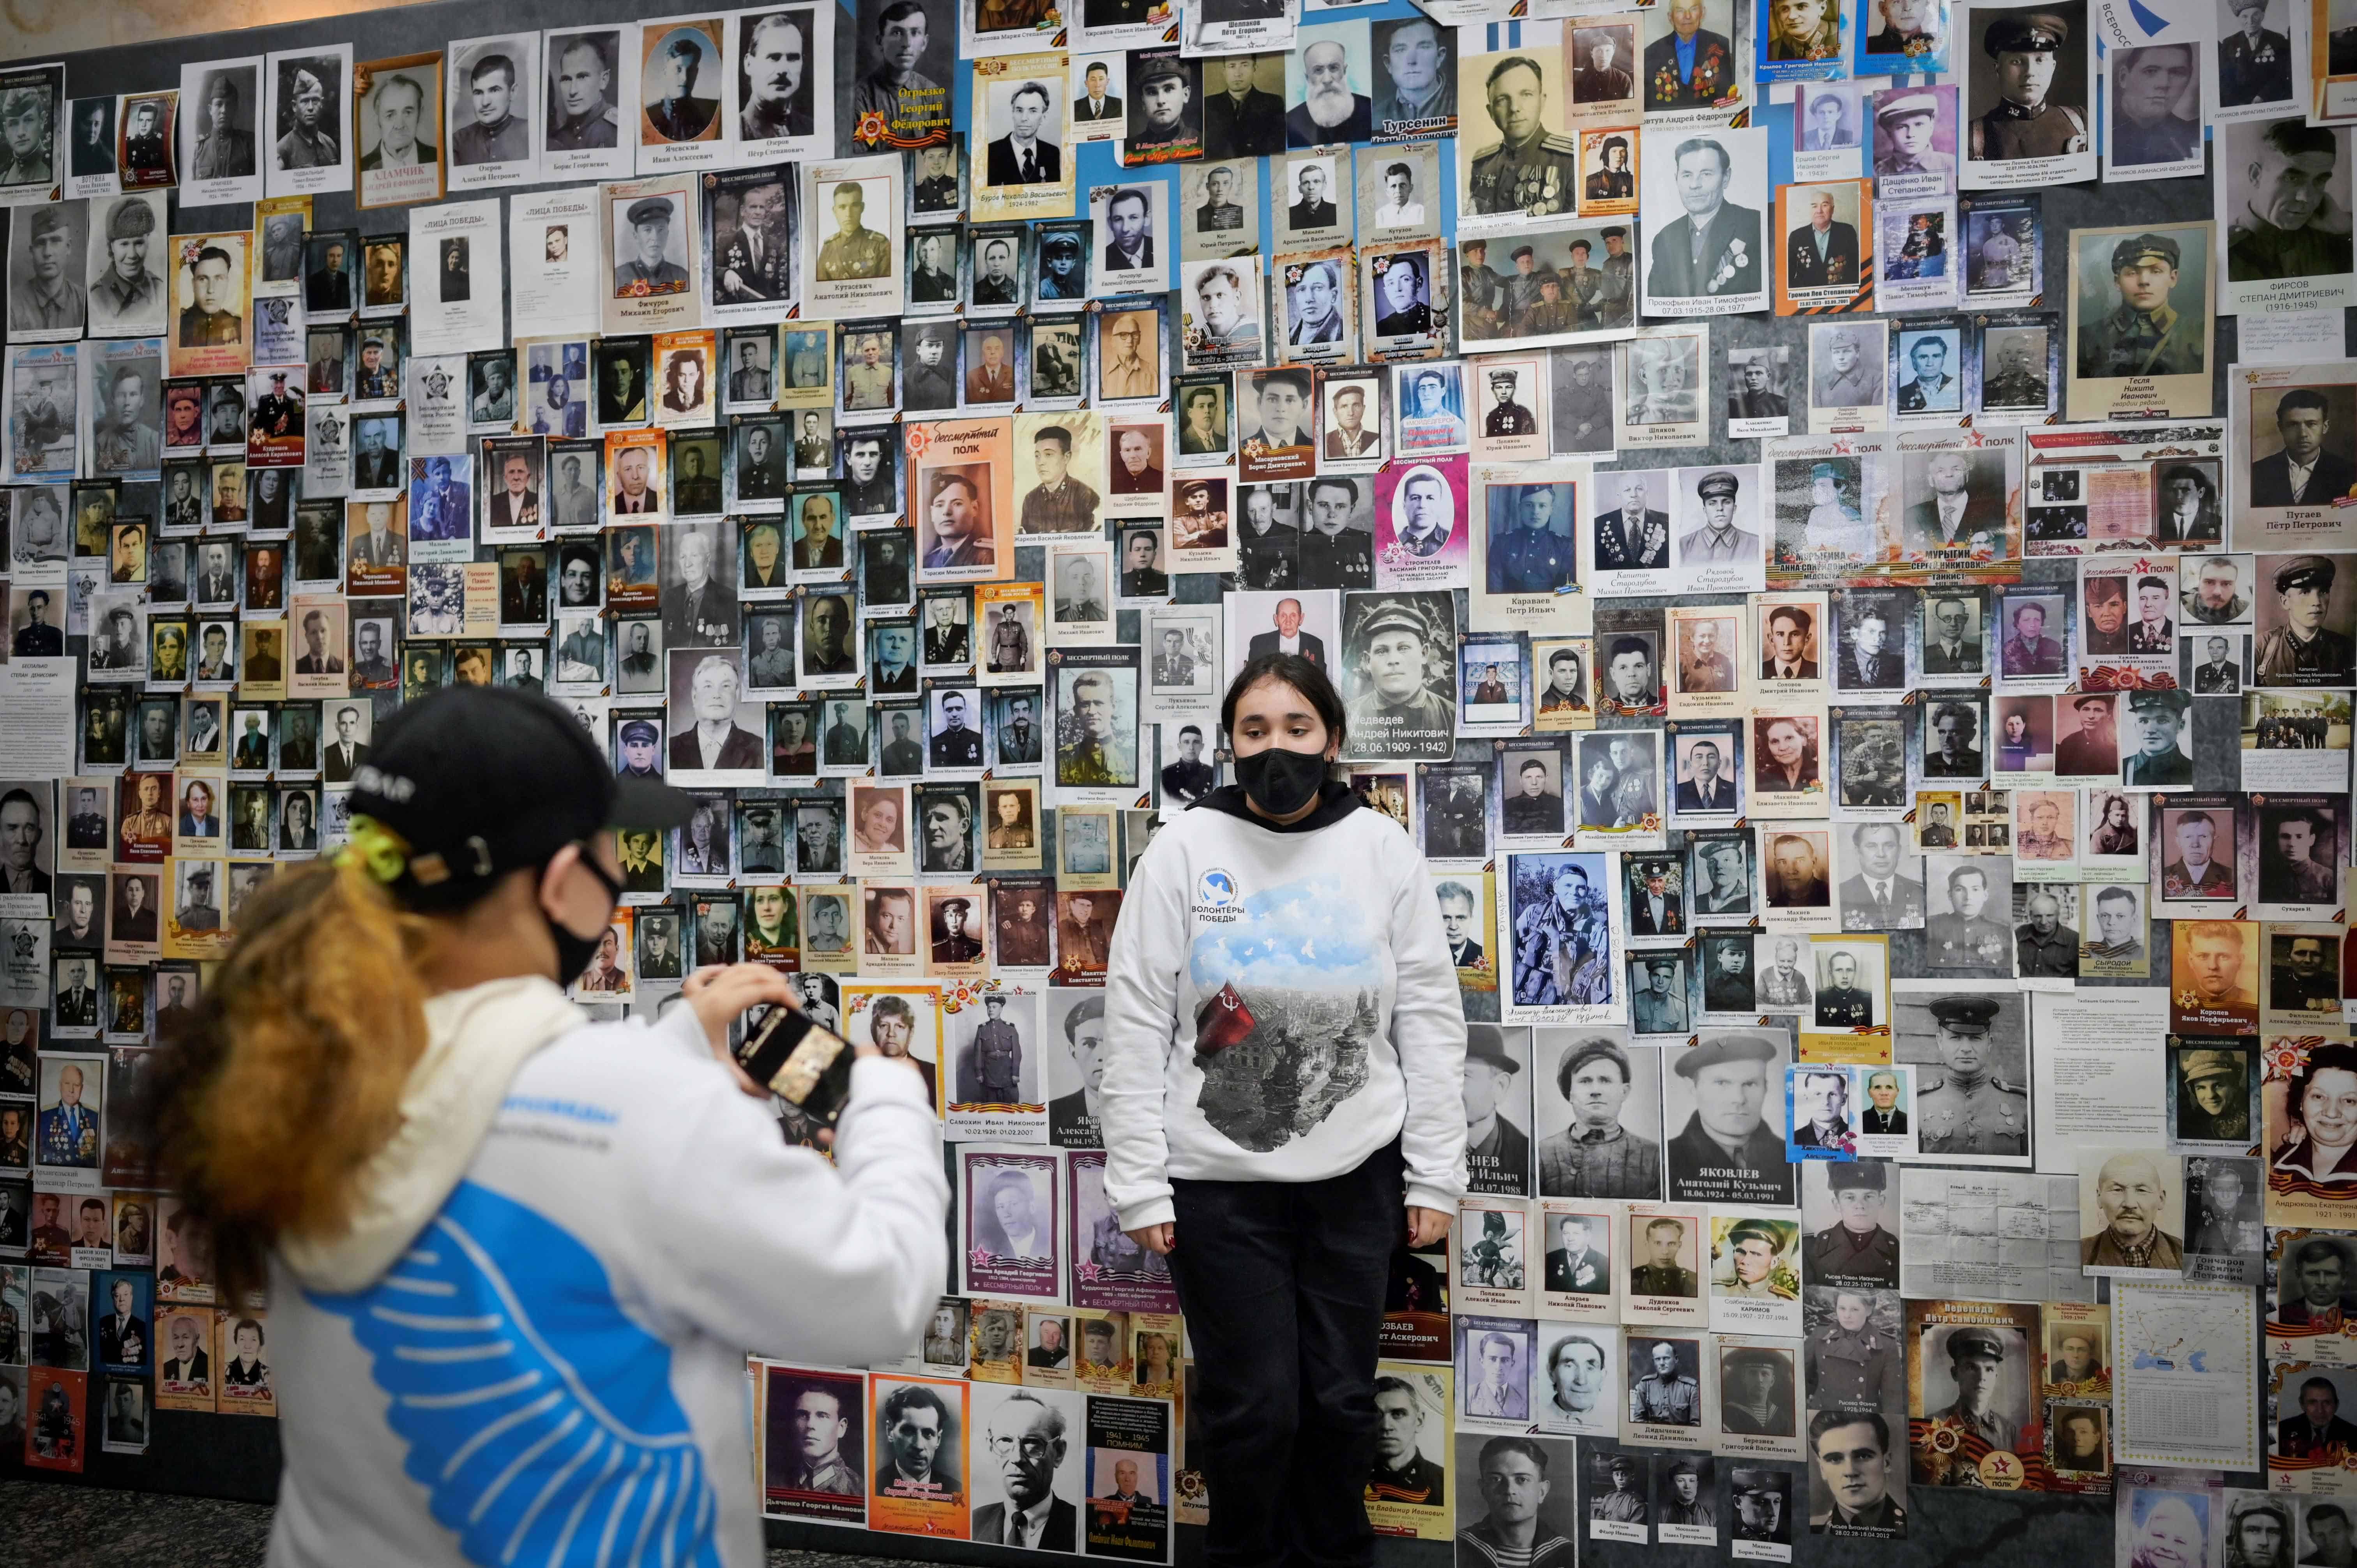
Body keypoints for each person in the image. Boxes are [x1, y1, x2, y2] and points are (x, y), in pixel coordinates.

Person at [1100, 649, 1463, 1566]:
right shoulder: (1183, 846)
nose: (1277, 749)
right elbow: (1136, 1017)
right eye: (1255, 730)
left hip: (1357, 1178)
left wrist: (1436, 1174)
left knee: (1341, 1402)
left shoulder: (1383, 849)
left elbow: (1428, 1018)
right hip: (1219, 1188)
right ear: (1230, 740)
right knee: (1255, 1406)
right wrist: (1140, 1183)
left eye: (1297, 728)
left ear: (1332, 737)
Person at [1809, 1411, 1905, 1533]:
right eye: (1835, 1459)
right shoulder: (1813, 1529)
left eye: (1863, 1456)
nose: (1850, 1471)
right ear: (1822, 1469)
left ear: (1887, 1463)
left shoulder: (1918, 1527)